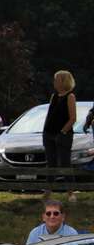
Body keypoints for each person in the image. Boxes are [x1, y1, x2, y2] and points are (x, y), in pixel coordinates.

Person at [42, 70, 77, 202]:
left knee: (65, 163)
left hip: (63, 135)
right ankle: (47, 192)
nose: (54, 82)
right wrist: (45, 130)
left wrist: (62, 132)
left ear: (63, 81)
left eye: (56, 80)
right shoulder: (54, 96)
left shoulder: (70, 96)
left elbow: (72, 118)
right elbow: (50, 115)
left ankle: (71, 193)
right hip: (49, 133)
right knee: (50, 164)